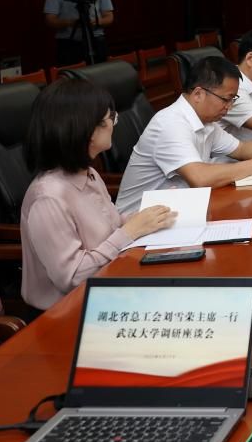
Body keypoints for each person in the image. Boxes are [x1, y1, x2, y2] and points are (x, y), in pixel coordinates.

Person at [20, 79, 177, 310]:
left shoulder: (88, 173)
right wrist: (130, 231)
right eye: (110, 118)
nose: (114, 123)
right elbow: (71, 278)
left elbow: (108, 226)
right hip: (68, 311)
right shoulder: (48, 198)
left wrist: (142, 217)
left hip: (107, 286)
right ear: (88, 131)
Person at [115, 57, 252, 212]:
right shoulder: (171, 123)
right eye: (226, 99)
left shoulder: (206, 121)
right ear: (198, 94)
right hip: (140, 222)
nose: (229, 107)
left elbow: (241, 149)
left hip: (181, 210)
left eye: (233, 100)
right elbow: (200, 178)